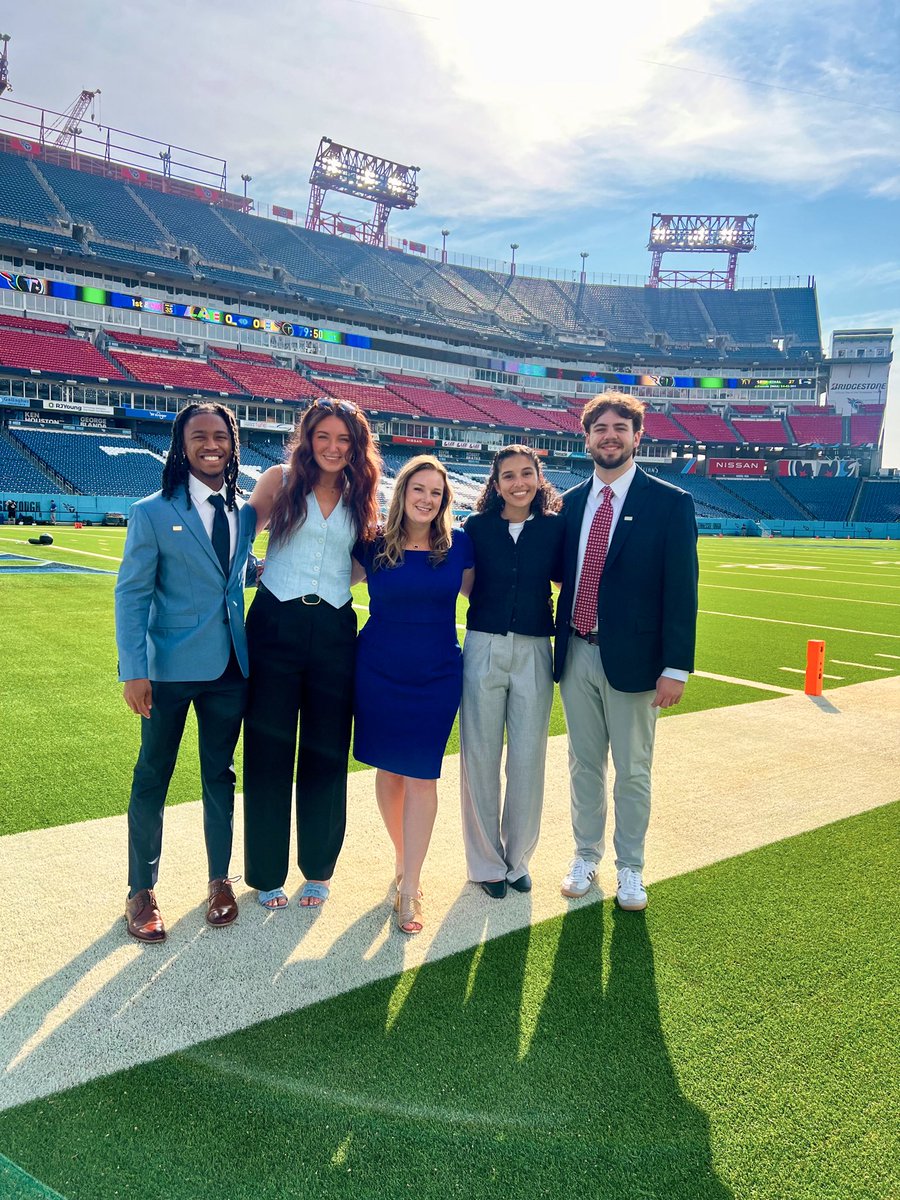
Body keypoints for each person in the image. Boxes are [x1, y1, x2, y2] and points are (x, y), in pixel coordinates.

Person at [115, 402, 257, 942]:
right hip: (167, 670)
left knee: (220, 775)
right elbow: (131, 595)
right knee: (153, 775)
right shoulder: (151, 511)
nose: (211, 444)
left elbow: (230, 577)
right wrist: (134, 670)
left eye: (220, 435)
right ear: (182, 445)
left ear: (233, 443)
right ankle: (140, 890)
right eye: (199, 436)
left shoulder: (244, 512)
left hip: (230, 668)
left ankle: (220, 881)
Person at [554, 393, 698, 912]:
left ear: (638, 436)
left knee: (633, 770)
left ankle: (630, 865)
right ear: (586, 438)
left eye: (620, 428)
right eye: (600, 428)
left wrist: (675, 667)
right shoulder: (569, 503)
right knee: (583, 765)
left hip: (636, 661)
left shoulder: (670, 502)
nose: (609, 436)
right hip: (577, 652)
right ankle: (585, 855)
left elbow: (681, 590)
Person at [242, 399, 380, 911]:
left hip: (334, 629)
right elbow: (240, 536)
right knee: (267, 749)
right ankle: (265, 872)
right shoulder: (279, 480)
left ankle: (319, 869)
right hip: (274, 623)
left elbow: (361, 562)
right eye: (324, 436)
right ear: (307, 438)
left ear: (356, 446)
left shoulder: (361, 492)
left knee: (326, 749)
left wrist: (331, 586)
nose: (333, 447)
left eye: (344, 439)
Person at [353, 455, 474, 935]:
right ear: (402, 492)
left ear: (445, 500)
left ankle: (411, 888)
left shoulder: (459, 546)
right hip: (378, 670)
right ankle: (403, 859)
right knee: (388, 771)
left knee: (423, 776)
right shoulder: (372, 544)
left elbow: (485, 598)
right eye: (418, 489)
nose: (427, 499)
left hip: (436, 674)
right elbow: (326, 579)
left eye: (436, 492)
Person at [459, 446, 564, 898]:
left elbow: (564, 579)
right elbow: (467, 587)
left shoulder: (556, 527)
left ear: (538, 478)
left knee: (527, 759)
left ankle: (518, 860)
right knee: (480, 757)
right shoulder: (476, 526)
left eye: (526, 474)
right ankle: (486, 862)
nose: (519, 483)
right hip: (483, 645)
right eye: (508, 476)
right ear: (496, 483)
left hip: (536, 649)